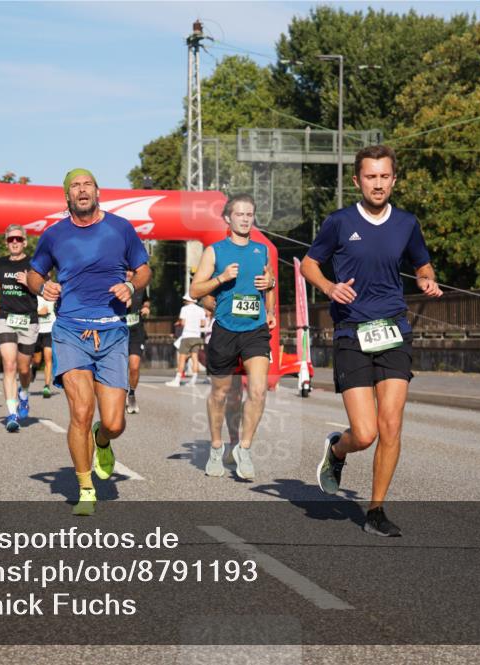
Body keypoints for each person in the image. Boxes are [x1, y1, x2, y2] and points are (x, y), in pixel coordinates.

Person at [302, 145, 442, 537]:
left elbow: (421, 262)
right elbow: (310, 264)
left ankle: (376, 510)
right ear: (357, 181)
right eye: (370, 177)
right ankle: (337, 450)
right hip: (352, 332)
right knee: (364, 433)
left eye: (384, 177)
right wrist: (330, 287)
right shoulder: (339, 222)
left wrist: (427, 277)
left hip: (394, 329)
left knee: (391, 425)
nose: (378, 184)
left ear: (394, 180)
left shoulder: (407, 223)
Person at [27, 168, 150, 516]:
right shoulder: (54, 235)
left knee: (114, 422)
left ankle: (103, 439)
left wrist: (131, 286)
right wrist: (42, 287)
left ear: (97, 192)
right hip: (70, 331)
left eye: (87, 185)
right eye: (75, 187)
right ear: (67, 196)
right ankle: (85, 488)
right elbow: (36, 272)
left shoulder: (120, 228)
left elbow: (143, 269)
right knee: (80, 410)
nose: (82, 191)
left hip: (112, 332)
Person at [189, 193, 276, 481]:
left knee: (259, 390)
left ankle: (245, 448)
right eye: (239, 214)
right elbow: (195, 291)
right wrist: (221, 278)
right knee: (221, 394)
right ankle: (216, 447)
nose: (245, 219)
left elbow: (269, 285)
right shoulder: (215, 251)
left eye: (249, 214)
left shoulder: (261, 251)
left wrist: (271, 300)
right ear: (228, 218)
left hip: (255, 329)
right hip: (225, 329)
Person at [0, 225, 40, 432]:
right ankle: (12, 413)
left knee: (23, 368)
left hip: (28, 320)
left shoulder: (34, 263)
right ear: (6, 242)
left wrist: (29, 282)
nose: (15, 242)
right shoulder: (0, 263)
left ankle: (24, 392)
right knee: (9, 365)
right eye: (11, 239)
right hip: (5, 317)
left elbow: (44, 287)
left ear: (25, 242)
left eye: (18, 239)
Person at [165, 293, 206, 387]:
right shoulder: (201, 310)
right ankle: (194, 380)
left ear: (188, 300)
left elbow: (183, 323)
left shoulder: (184, 309)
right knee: (195, 358)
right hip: (197, 336)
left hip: (187, 335)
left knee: (182, 358)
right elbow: (203, 323)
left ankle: (177, 380)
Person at [124, 268, 151, 413]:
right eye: (125, 271)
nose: (128, 274)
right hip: (118, 332)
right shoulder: (115, 287)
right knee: (120, 368)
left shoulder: (139, 287)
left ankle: (132, 393)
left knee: (134, 366)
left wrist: (146, 307)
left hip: (136, 332)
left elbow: (146, 300)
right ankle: (119, 395)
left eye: (130, 271)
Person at [35, 284, 57, 398]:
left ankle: (47, 386)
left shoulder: (54, 294)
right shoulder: (34, 294)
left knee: (48, 358)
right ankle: (34, 368)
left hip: (49, 330)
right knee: (37, 360)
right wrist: (39, 312)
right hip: (37, 331)